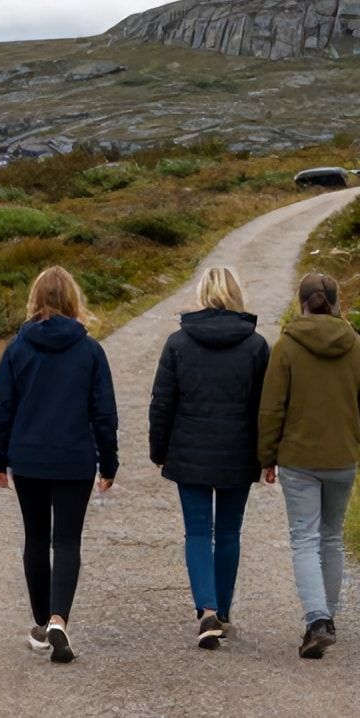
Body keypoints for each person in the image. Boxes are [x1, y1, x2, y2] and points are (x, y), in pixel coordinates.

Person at [0, 266, 119, 664]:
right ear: (73, 301)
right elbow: (104, 414)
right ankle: (60, 619)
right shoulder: (91, 351)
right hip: (74, 461)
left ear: (35, 299)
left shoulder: (17, 348)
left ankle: (43, 624)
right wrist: (108, 463)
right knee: (66, 541)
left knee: (35, 539)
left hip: (27, 460)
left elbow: (1, 410)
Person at [258, 272, 360, 659]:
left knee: (305, 538)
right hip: (343, 458)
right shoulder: (359, 347)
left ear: (301, 302)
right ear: (336, 301)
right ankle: (328, 617)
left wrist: (267, 456)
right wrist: (351, 432)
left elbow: (271, 409)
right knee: (331, 537)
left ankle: (317, 621)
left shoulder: (286, 347)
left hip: (298, 460)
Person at [148, 267, 270, 649]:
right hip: (238, 451)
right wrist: (267, 455)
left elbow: (162, 403)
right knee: (229, 532)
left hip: (189, 451)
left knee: (198, 532)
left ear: (201, 294)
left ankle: (206, 610)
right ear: (236, 294)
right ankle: (224, 612)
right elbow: (263, 408)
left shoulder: (178, 343)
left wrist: (159, 449)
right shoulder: (256, 346)